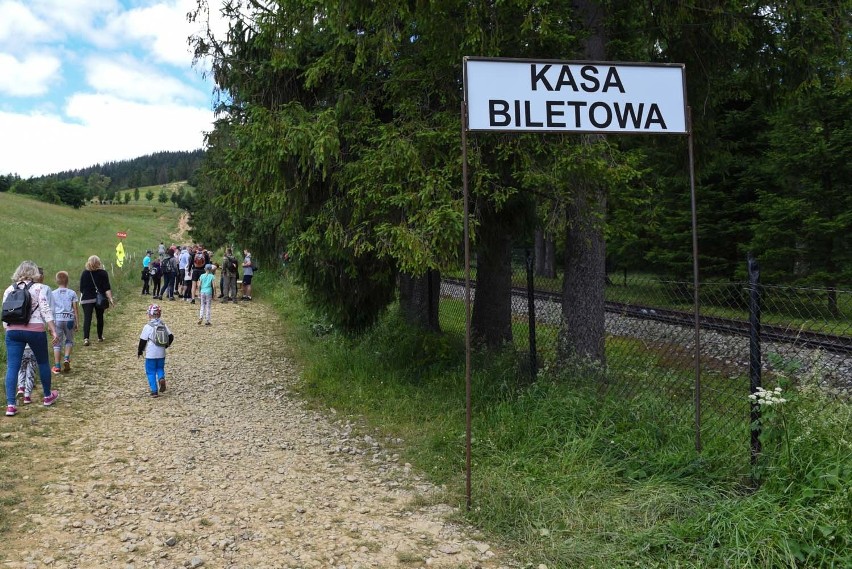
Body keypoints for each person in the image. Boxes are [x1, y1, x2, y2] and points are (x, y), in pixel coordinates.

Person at [3, 260, 60, 416]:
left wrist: (8, 330)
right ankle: (47, 396)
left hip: (13, 330)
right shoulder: (38, 288)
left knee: (12, 367)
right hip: (35, 330)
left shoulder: (9, 289)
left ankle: (10, 405)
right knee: (42, 362)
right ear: (34, 272)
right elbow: (45, 308)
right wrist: (53, 329)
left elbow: (5, 312)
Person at [137, 304, 173, 397]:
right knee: (160, 368)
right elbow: (171, 336)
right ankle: (161, 378)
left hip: (151, 354)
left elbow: (143, 341)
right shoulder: (163, 324)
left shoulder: (147, 326)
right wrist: (165, 346)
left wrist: (140, 351)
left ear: (149, 314)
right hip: (161, 352)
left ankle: (154, 391)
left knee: (150, 371)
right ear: (159, 314)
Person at [79, 255, 115, 346]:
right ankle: (99, 337)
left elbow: (81, 288)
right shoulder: (103, 273)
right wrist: (110, 298)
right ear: (98, 263)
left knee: (87, 318)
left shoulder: (84, 273)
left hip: (86, 299)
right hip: (99, 299)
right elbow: (107, 288)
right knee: (100, 317)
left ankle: (86, 338)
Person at [51, 270, 79, 374]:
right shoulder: (72, 293)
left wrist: (51, 324)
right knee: (69, 340)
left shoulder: (53, 293)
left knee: (57, 343)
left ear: (56, 281)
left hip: (57, 320)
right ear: (67, 281)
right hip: (69, 320)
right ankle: (66, 358)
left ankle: (57, 366)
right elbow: (75, 309)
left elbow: (51, 309)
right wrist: (77, 322)